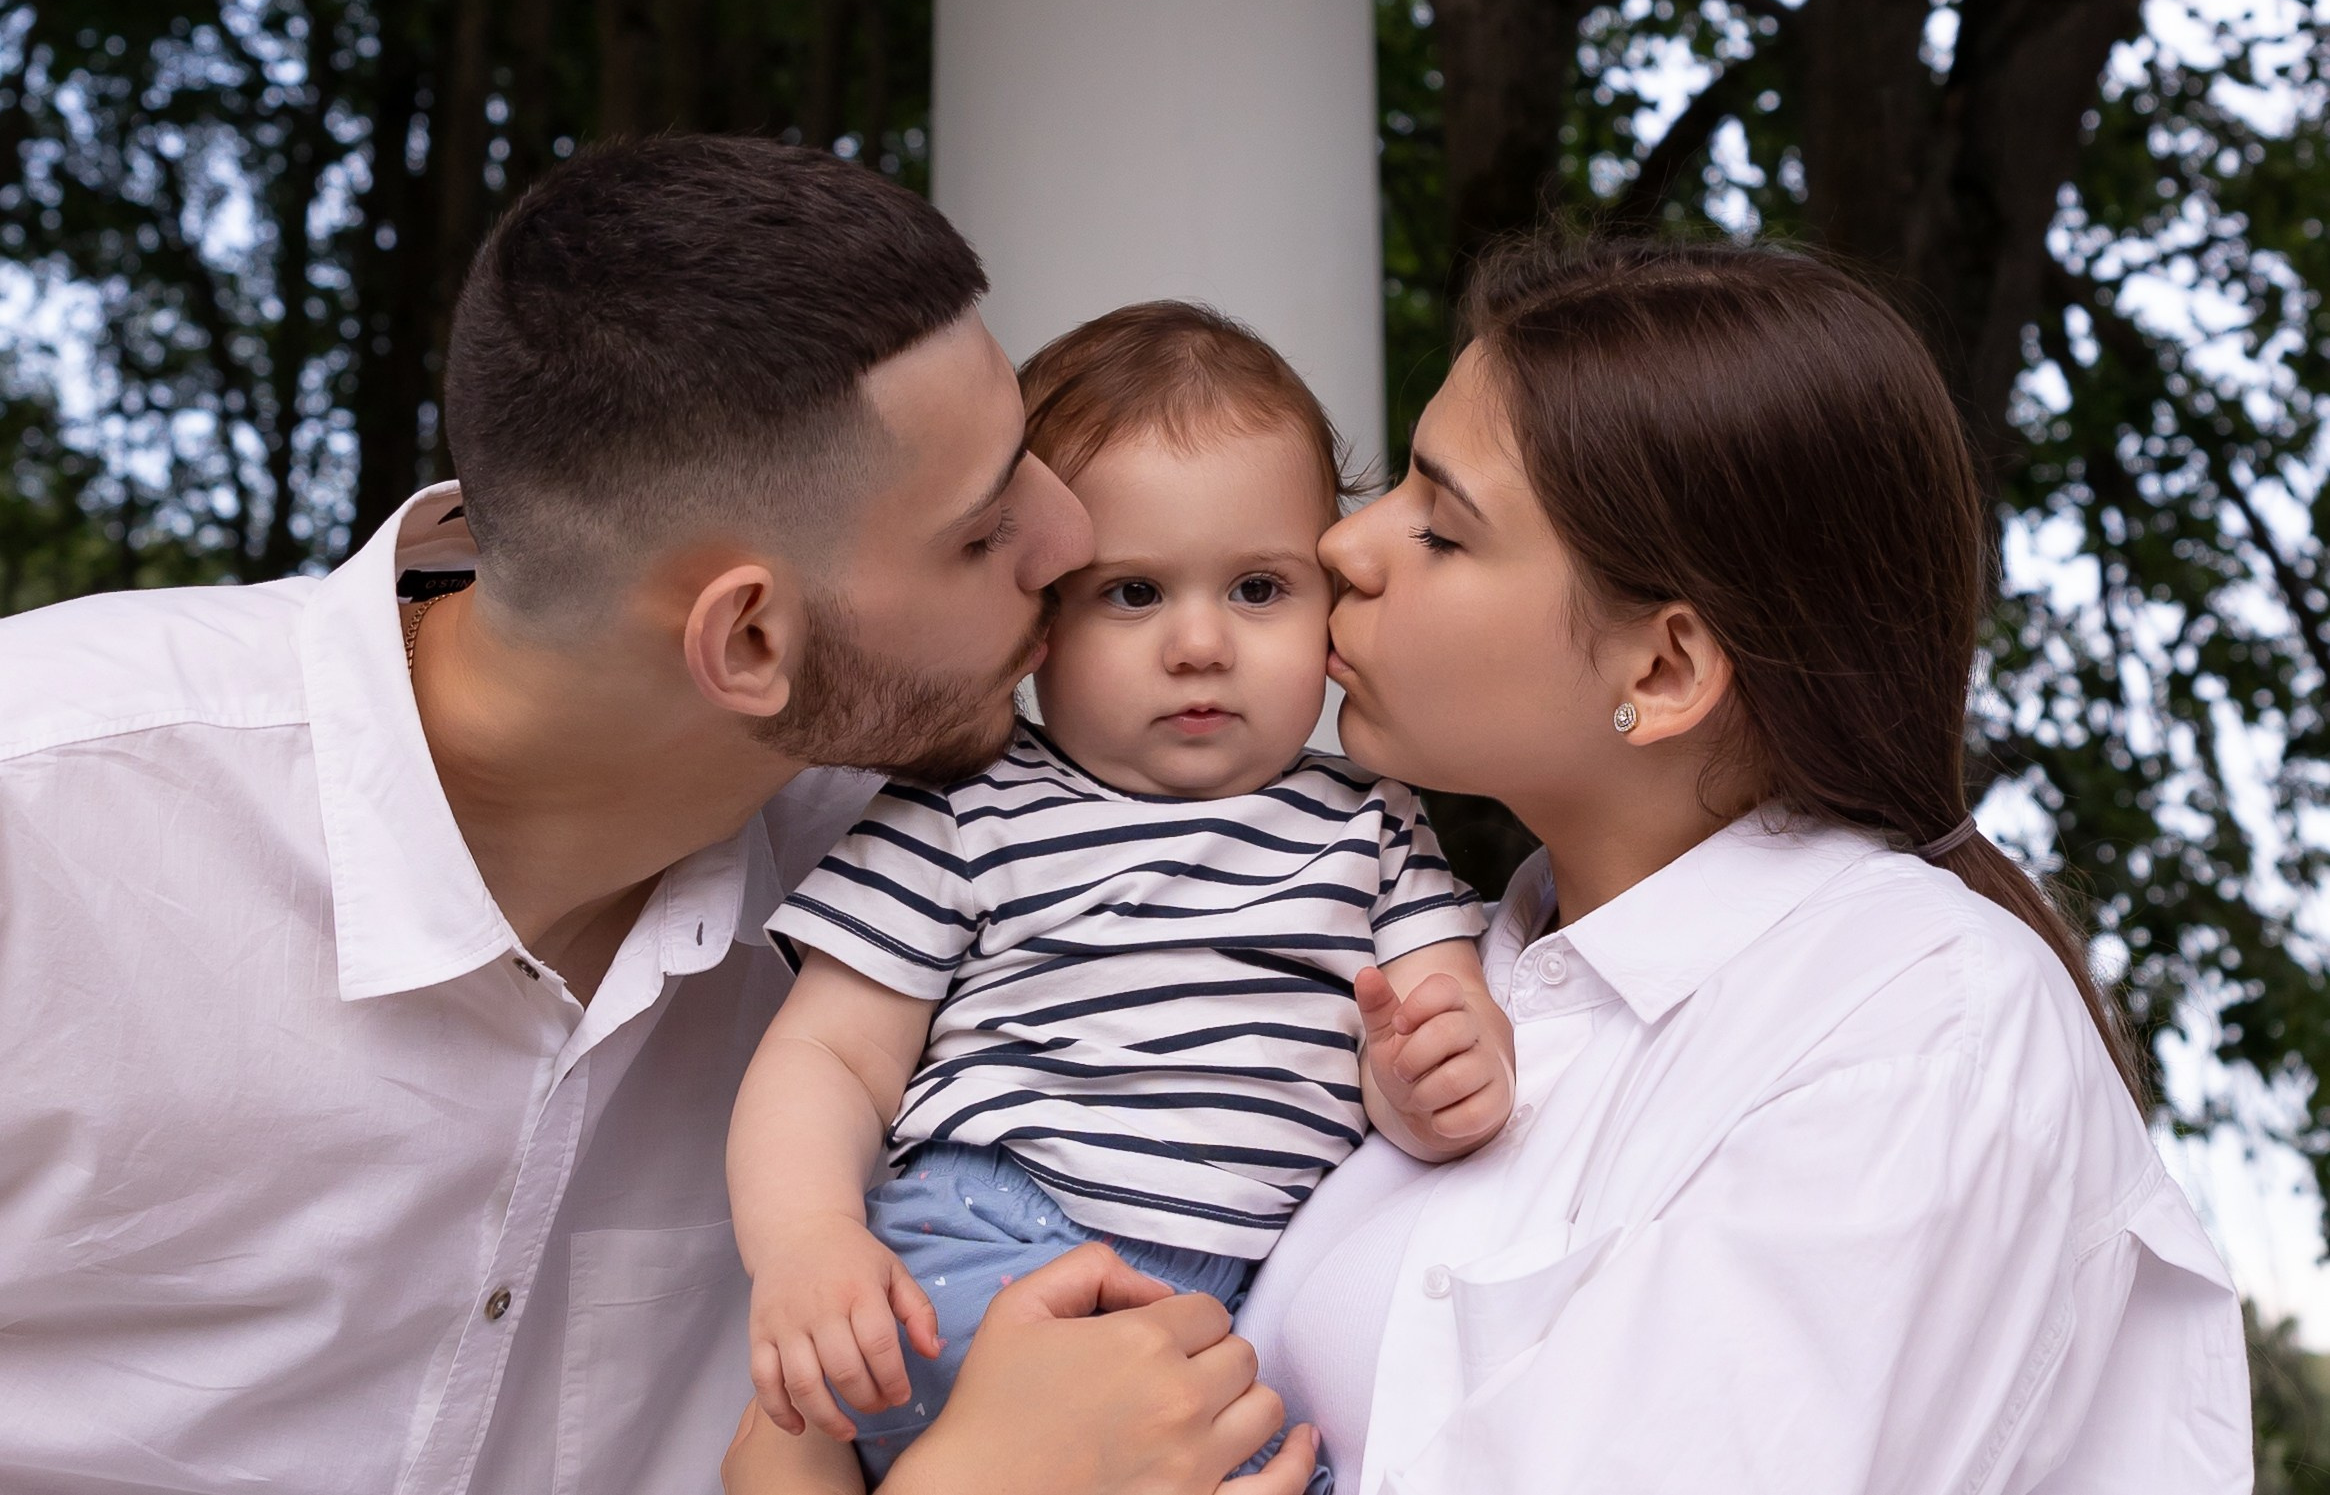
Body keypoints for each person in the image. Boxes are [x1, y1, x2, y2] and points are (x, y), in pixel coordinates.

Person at [726, 237, 2251, 1493]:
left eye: (1439, 529)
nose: (1344, 549)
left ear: (1660, 670)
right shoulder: (1479, 966)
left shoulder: (1904, 1029)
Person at [0, 138, 1295, 1495]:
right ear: (747, 640)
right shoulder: (48, 818)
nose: (1072, 537)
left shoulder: (956, 864)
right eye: (980, 532)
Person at [725, 304, 1506, 1488]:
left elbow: (1442, 1013)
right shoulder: (968, 807)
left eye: (1257, 587)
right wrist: (807, 1238)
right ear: (1040, 615)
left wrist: (1430, 1082)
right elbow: (830, 1053)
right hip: (982, 1239)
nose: (1199, 643)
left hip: (1229, 1306)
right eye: (1132, 593)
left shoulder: (1374, 822)